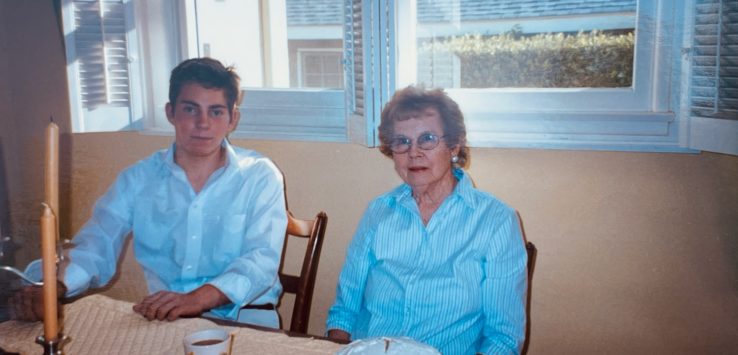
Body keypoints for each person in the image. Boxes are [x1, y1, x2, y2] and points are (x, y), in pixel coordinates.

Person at [10, 57, 287, 328]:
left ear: (232, 119)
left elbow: (261, 261)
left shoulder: (259, 176)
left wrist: (197, 299)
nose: (203, 123)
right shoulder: (137, 179)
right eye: (191, 109)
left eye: (216, 111)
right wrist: (55, 285)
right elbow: (96, 244)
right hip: (166, 323)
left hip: (247, 322)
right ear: (170, 112)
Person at [325, 86, 528, 354]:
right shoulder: (378, 212)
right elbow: (344, 311)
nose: (414, 152)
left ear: (454, 145)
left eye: (427, 139)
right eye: (402, 141)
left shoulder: (496, 221)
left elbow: (503, 338)